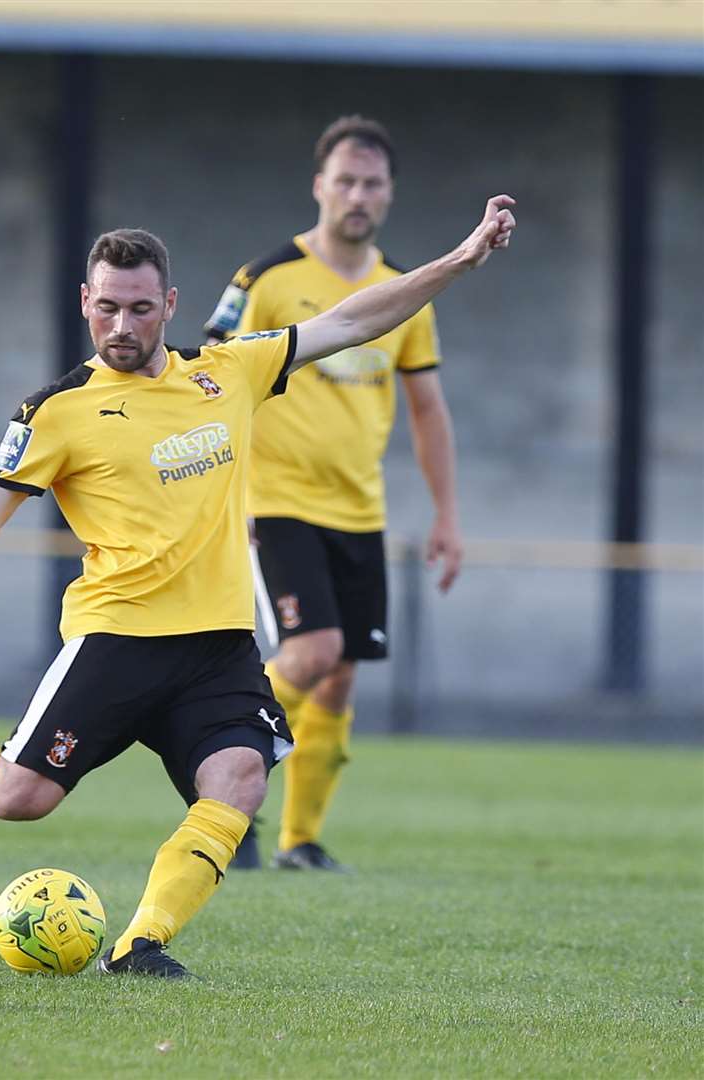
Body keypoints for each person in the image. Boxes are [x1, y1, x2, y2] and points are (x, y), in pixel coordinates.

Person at [0, 196, 514, 979]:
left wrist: (457, 262)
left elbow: (353, 321)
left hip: (217, 647)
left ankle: (140, 945)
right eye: (107, 307)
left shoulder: (232, 370)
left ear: (170, 306)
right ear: (85, 303)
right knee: (20, 799)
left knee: (239, 777)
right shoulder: (55, 411)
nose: (121, 325)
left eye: (140, 308)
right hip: (116, 640)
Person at [203, 116, 461, 872]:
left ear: (389, 194)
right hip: (275, 501)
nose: (357, 194)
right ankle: (224, 785)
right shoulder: (268, 278)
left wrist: (447, 513)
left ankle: (299, 839)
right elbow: (208, 375)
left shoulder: (404, 294)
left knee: (341, 671)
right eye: (344, 180)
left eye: (372, 183)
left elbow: (428, 409)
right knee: (310, 652)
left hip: (361, 511)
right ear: (319, 186)